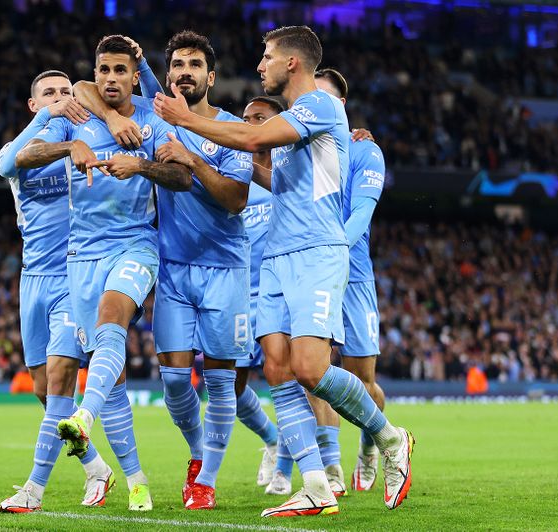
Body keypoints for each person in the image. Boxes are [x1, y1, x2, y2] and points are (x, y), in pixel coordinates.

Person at [154, 25, 413, 517]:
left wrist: (185, 121)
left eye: (267, 56)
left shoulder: (320, 106)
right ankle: (315, 482)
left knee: (311, 368)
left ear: (293, 63)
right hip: (274, 257)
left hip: (317, 252)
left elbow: (251, 136)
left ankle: (391, 437)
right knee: (276, 369)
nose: (260, 65)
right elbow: (273, 176)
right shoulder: (298, 121)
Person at [74, 31, 252, 511]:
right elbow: (83, 87)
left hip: (226, 269)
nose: (185, 72)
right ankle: (198, 452)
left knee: (218, 381)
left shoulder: (232, 128)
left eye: (195, 64)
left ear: (210, 77)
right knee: (174, 382)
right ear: (166, 73)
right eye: (177, 64)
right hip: (174, 267)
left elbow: (236, 200)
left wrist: (188, 158)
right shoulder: (156, 118)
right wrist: (114, 117)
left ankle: (206, 479)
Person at [15, 34, 192, 512]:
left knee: (113, 317)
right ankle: (135, 479)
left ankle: (82, 419)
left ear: (135, 76)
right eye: (103, 71)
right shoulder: (76, 114)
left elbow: (183, 176)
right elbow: (23, 156)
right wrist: (67, 147)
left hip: (135, 246)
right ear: (95, 75)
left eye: (120, 71)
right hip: (80, 258)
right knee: (107, 380)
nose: (111, 79)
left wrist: (141, 165)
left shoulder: (152, 120)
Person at [0, 70, 116, 513]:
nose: (63, 99)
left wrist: (74, 135)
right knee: (46, 392)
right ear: (35, 105)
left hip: (73, 279)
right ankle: (95, 468)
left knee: (63, 378)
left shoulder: (84, 144)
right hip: (33, 282)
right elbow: (6, 164)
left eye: (67, 92)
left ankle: (33, 490)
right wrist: (51, 118)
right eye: (50, 94)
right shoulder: (25, 152)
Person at [307, 68, 388, 496]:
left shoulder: (363, 151)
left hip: (352, 273)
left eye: (324, 98)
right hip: (314, 270)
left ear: (340, 105)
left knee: (362, 379)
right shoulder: (303, 144)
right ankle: (331, 465)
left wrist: (334, 247)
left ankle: (370, 447)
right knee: (315, 372)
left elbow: (362, 213)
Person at [239, 96, 298, 496]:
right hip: (239, 298)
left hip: (282, 295)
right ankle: (271, 436)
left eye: (260, 118)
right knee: (229, 387)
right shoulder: (236, 175)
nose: (251, 124)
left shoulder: (296, 174)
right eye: (245, 119)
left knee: (287, 384)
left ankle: (286, 470)